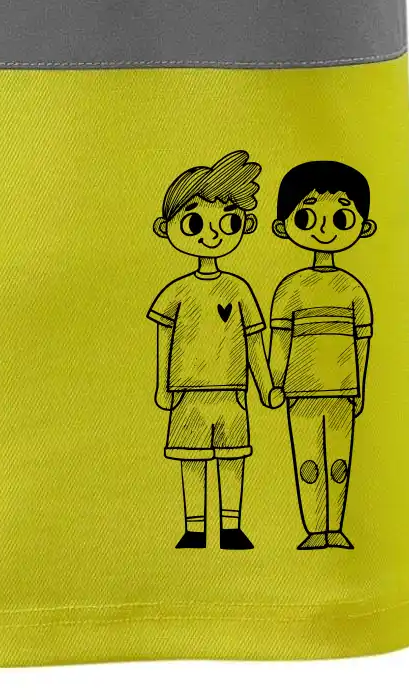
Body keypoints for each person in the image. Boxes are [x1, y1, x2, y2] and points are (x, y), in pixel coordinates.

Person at [147, 150, 282, 548]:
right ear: (165, 228)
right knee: (191, 462)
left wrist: (266, 386)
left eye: (229, 222)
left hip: (232, 394)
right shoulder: (177, 291)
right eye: (194, 223)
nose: (211, 235)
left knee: (233, 459)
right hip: (188, 394)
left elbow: (254, 340)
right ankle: (193, 528)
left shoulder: (239, 289)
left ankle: (230, 527)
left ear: (245, 224)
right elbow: (164, 339)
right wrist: (162, 386)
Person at [267, 161, 377, 550]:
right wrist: (275, 381)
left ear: (364, 227)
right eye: (307, 217)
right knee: (309, 463)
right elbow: (280, 341)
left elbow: (362, 343)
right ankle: (315, 528)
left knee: (339, 464)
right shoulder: (290, 289)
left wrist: (360, 387)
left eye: (341, 218)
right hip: (300, 390)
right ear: (283, 227)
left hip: (343, 389)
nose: (325, 229)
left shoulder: (353, 289)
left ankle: (336, 527)